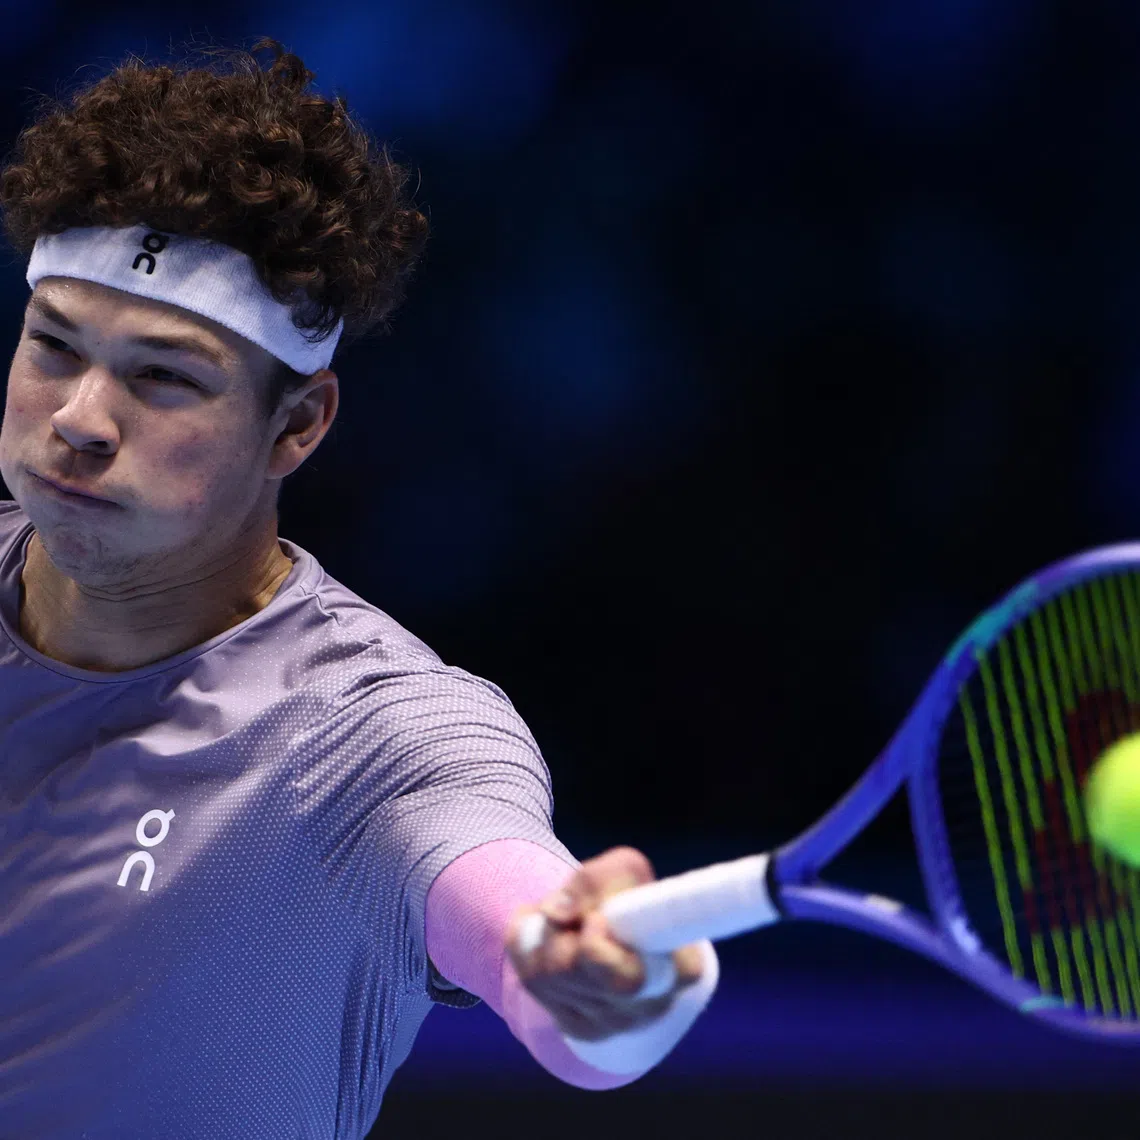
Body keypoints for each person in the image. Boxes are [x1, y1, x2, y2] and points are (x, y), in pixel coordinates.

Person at [0, 38, 718, 1138]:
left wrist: (592, 974)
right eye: (54, 347)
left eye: (164, 377)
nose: (82, 418)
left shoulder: (373, 735)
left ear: (297, 424)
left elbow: (533, 940)